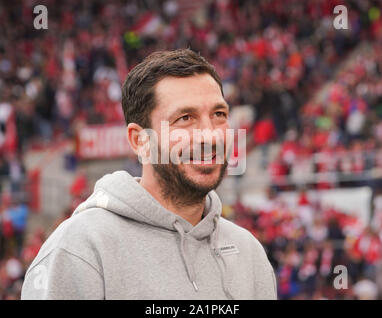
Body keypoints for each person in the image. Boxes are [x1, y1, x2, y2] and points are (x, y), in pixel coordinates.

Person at [21, 49, 276, 300]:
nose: (209, 135)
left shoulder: (249, 253)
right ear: (139, 140)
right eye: (185, 118)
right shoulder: (79, 250)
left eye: (219, 114)